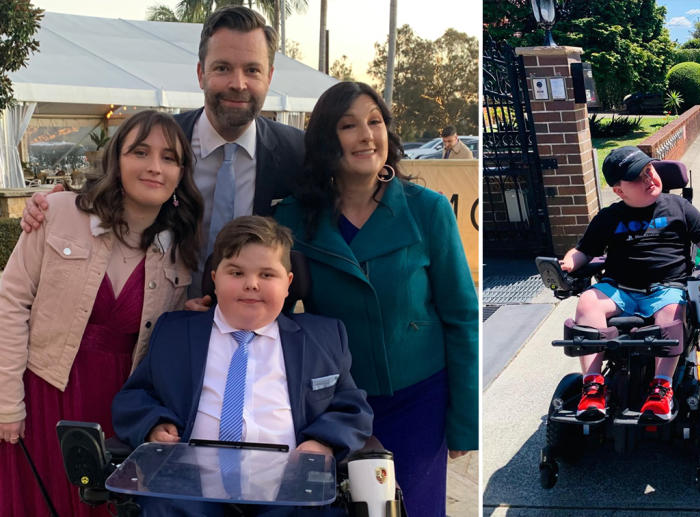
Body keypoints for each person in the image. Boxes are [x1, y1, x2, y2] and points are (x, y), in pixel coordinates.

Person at [273, 81, 478, 517]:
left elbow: (462, 316)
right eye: (349, 125)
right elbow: (273, 314)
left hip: (418, 399)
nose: (367, 135)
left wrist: (465, 421)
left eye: (375, 121)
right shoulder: (292, 218)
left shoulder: (429, 210)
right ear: (327, 139)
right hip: (332, 409)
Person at [20, 6, 304, 299]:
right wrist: (48, 206)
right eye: (222, 68)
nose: (238, 83)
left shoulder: (298, 152)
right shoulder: (156, 142)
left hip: (256, 323)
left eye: (252, 70)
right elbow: (99, 197)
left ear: (269, 77)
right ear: (200, 73)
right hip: (158, 321)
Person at [0, 110, 203, 517]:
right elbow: (11, 302)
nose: (153, 166)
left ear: (181, 175)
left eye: (169, 158)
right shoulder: (57, 212)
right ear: (117, 160)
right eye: (140, 152)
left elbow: (166, 341)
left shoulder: (179, 252)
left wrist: (192, 318)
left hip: (119, 406)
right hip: (45, 391)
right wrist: (8, 403)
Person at [112, 215, 372, 515]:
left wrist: (323, 441)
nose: (251, 284)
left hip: (290, 492)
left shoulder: (323, 338)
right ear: (214, 278)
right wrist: (153, 424)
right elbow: (135, 396)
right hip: (188, 492)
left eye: (267, 275)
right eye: (236, 272)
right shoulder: (174, 333)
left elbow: (354, 409)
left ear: (288, 283)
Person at [559, 146, 700, 420]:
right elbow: (584, 250)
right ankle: (593, 386)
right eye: (638, 177)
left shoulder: (679, 207)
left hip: (667, 288)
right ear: (619, 190)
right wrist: (569, 262)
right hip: (619, 288)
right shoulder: (609, 217)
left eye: (649, 170)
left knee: (672, 313)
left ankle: (661, 387)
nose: (649, 178)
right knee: (588, 301)